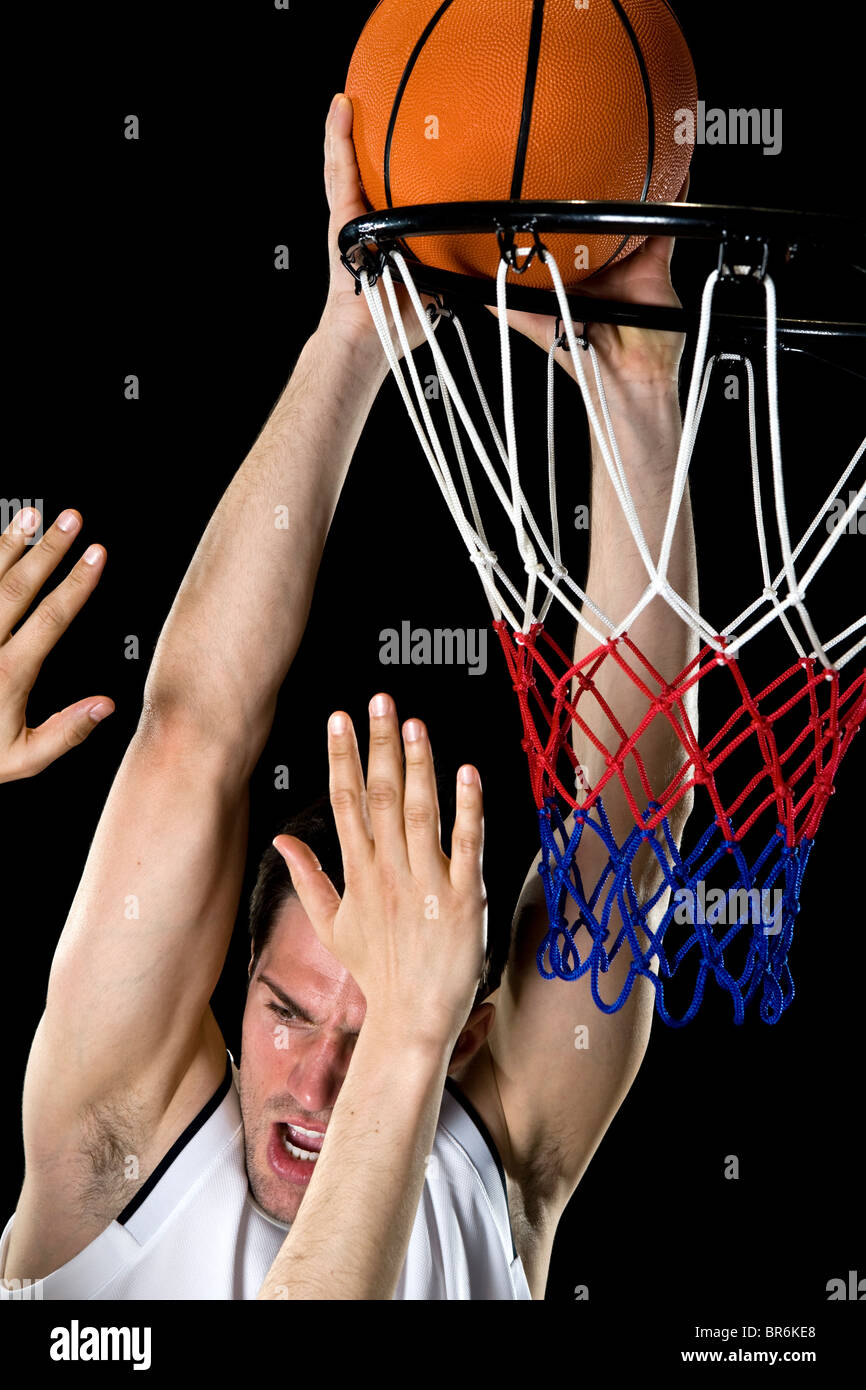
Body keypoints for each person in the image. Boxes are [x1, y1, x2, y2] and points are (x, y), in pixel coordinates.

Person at [0, 93, 697, 1301]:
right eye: (286, 1010)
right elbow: (191, 739)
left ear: (471, 1032)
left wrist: (633, 391)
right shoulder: (112, 1153)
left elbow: (624, 838)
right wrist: (350, 338)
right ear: (229, 986)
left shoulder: (488, 1170)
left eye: (371, 1027)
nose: (317, 1082)